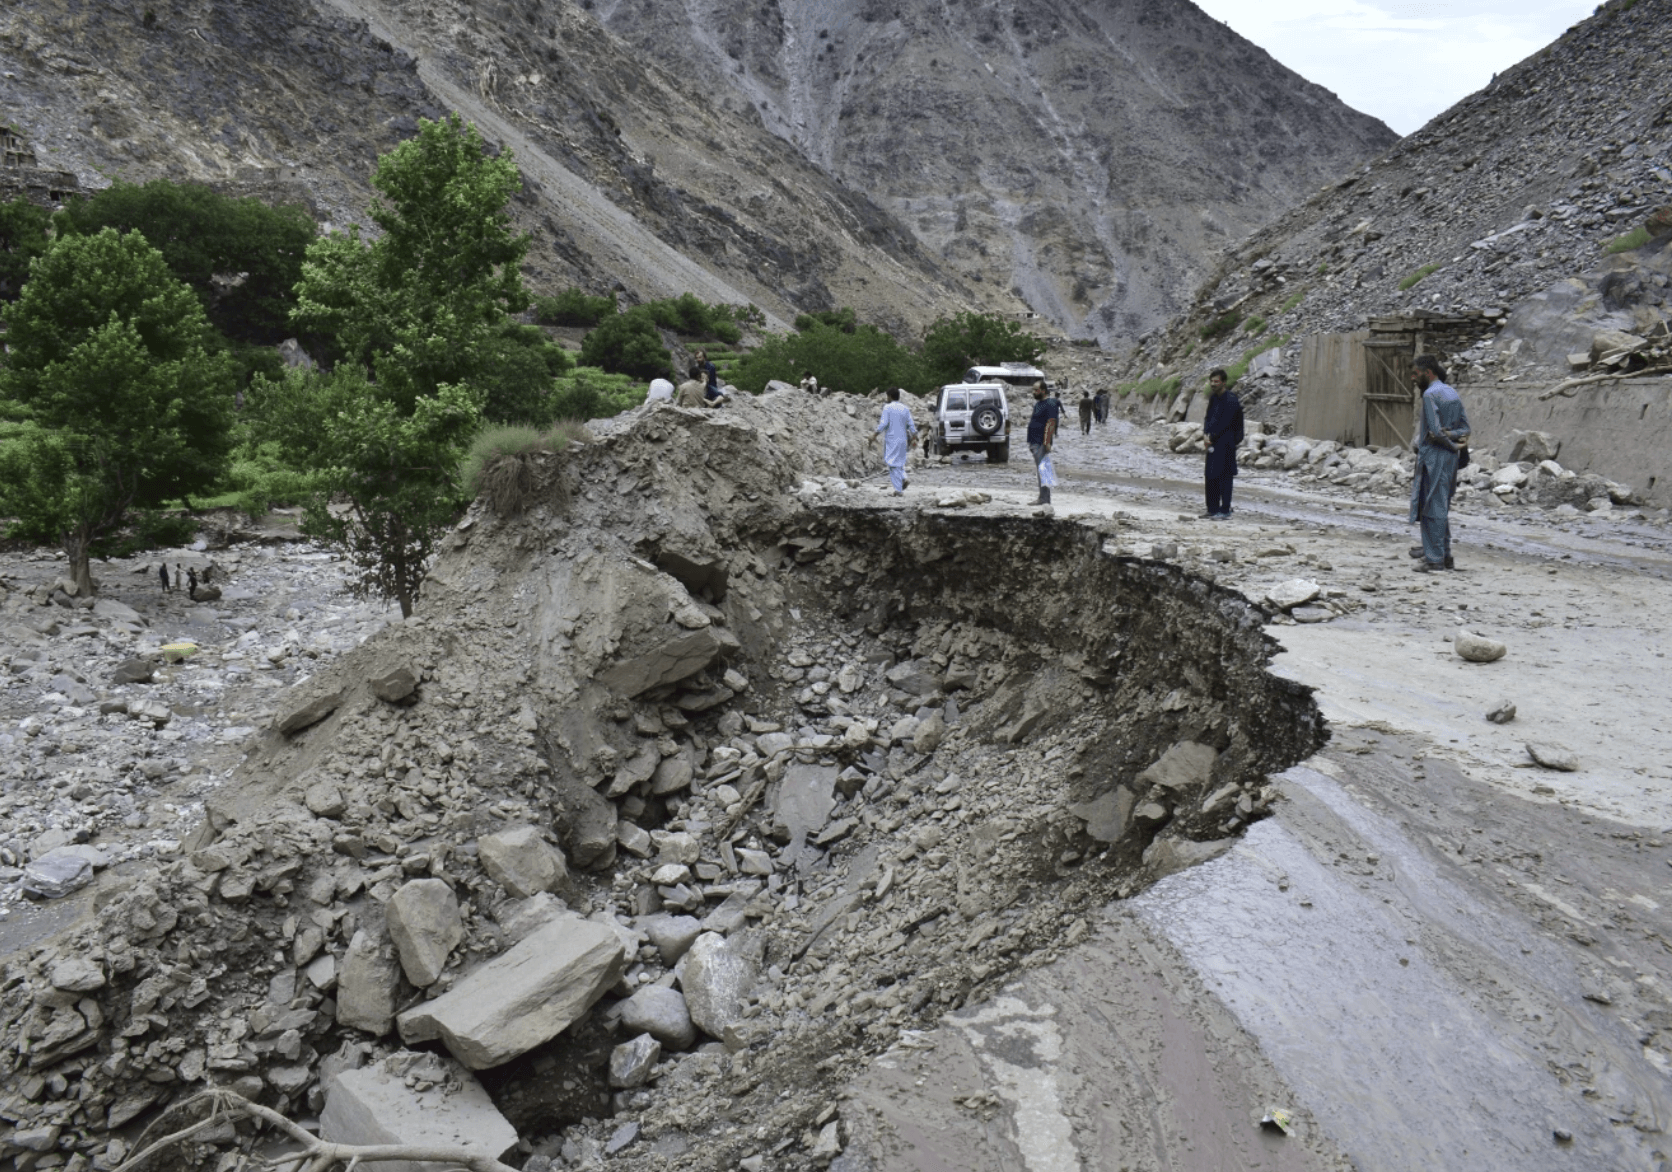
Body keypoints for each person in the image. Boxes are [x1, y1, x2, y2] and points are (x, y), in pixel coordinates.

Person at [1408, 355, 1470, 571]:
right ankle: (1444, 555)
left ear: (1428, 372)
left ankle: (1434, 559)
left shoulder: (1429, 395)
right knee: (1440, 505)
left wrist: (1449, 442)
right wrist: (1453, 438)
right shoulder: (1451, 392)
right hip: (1449, 460)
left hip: (1434, 457)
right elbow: (1465, 429)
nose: (1413, 378)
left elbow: (1434, 432)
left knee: (1432, 507)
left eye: (1416, 374)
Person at [1202, 369, 1244, 518]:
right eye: (1211, 381)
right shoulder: (1214, 398)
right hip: (1213, 442)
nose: (1213, 384)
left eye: (1216, 381)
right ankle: (1212, 508)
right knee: (1210, 474)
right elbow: (1208, 417)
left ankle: (1225, 510)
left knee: (1225, 476)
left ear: (1223, 382)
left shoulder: (1231, 400)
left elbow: (1225, 423)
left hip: (1226, 443)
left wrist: (1212, 436)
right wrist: (1206, 434)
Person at [868, 387, 918, 495]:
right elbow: (911, 425)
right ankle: (904, 477)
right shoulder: (905, 408)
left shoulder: (887, 407)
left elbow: (884, 423)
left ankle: (898, 490)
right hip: (903, 439)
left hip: (892, 439)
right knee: (899, 462)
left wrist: (875, 434)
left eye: (887, 396)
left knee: (892, 463)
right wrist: (915, 436)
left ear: (890, 396)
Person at [1027, 380, 1060, 506]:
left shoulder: (1050, 404)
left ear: (1043, 390)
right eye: (1033, 390)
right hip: (1034, 440)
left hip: (1041, 441)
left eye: (1036, 390)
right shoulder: (1038, 404)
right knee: (1042, 469)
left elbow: (1051, 423)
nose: (1034, 392)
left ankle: (1044, 498)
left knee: (1043, 470)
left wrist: (1047, 442)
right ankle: (1043, 497)